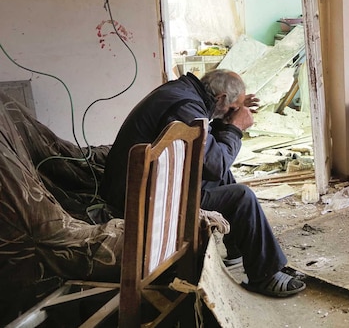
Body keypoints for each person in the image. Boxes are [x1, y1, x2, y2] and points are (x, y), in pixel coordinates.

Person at [101, 69, 305, 297]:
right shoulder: (185, 107)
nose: (232, 112)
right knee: (241, 197)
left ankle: (241, 249)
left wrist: (229, 111)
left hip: (142, 183)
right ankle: (265, 275)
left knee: (224, 178)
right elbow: (215, 163)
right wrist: (235, 128)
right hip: (138, 196)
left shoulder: (185, 93)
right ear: (220, 99)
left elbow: (207, 155)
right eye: (231, 107)